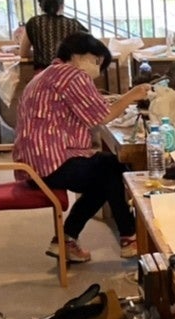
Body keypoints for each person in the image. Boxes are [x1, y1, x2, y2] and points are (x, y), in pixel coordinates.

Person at [12, 34, 151, 264]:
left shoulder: (46, 74)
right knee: (112, 168)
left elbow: (89, 108)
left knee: (104, 174)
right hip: (50, 163)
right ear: (77, 54)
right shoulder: (72, 75)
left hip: (32, 164)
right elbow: (102, 117)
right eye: (96, 61)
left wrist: (118, 100)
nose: (96, 68)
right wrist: (133, 95)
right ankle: (130, 237)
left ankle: (66, 240)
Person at [17, 0, 87, 70]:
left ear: (40, 6)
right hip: (68, 74)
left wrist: (39, 53)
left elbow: (23, 53)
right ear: (61, 5)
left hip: (43, 75)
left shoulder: (34, 23)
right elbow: (91, 46)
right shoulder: (74, 24)